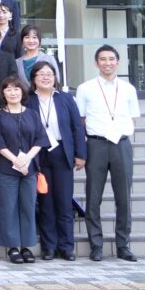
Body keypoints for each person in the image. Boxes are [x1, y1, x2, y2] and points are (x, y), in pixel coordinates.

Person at [75, 45, 141, 262]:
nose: (107, 63)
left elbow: (132, 118)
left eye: (111, 59)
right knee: (93, 197)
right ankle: (96, 246)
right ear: (96, 63)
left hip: (121, 144)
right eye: (102, 59)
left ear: (118, 62)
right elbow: (81, 120)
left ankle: (123, 245)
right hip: (96, 144)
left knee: (123, 197)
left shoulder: (128, 88)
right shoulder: (85, 88)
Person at [27, 60, 86, 261]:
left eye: (49, 74)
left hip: (62, 153)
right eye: (41, 74)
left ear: (55, 78)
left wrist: (80, 154)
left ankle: (66, 246)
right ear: (33, 78)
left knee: (63, 201)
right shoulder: (28, 100)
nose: (45, 77)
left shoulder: (65, 98)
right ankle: (49, 247)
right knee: (45, 202)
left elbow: (77, 127)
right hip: (39, 153)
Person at [0, 76, 49, 264]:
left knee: (28, 207)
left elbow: (40, 139)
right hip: (6, 168)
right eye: (8, 89)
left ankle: (27, 247)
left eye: (16, 89)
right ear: (3, 93)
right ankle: (13, 247)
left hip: (29, 169)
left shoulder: (32, 114)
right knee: (9, 207)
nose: (13, 92)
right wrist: (16, 160)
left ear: (22, 92)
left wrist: (26, 159)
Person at [14, 25, 58, 92]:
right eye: (27, 37)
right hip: (25, 98)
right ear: (22, 41)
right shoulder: (17, 62)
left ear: (39, 40)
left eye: (34, 37)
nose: (31, 41)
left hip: (45, 96)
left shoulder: (49, 59)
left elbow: (56, 81)